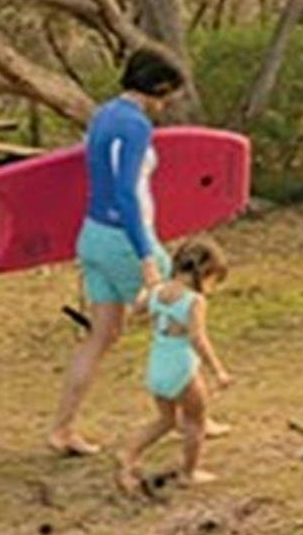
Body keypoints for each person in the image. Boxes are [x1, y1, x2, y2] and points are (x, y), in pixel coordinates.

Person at [46, 43, 227, 454]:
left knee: (102, 335)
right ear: (159, 86)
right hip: (126, 239)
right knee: (179, 320)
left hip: (92, 236)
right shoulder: (134, 125)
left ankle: (62, 429)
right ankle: (192, 417)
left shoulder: (104, 114)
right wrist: (146, 255)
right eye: (171, 93)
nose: (171, 102)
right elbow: (126, 194)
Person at [116, 237, 233, 492]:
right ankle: (189, 473)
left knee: (165, 420)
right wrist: (218, 370)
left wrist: (149, 284)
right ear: (205, 272)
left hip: (157, 366)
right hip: (181, 369)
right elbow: (197, 338)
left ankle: (128, 454)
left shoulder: (158, 291)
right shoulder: (194, 301)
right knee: (196, 422)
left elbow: (136, 309)